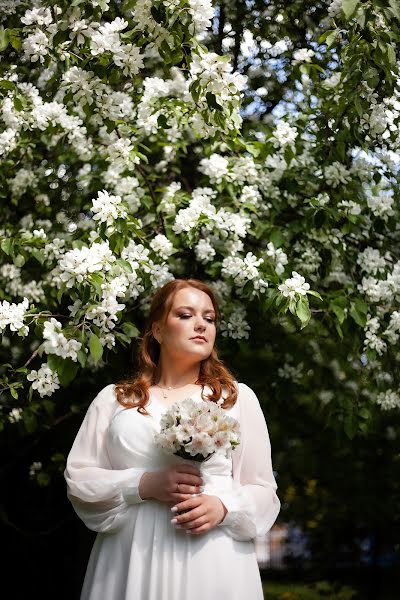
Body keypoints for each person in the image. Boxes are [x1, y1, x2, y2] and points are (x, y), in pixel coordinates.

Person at [64, 278, 280, 600]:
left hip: (213, 557)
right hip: (131, 556)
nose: (201, 325)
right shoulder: (115, 400)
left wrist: (224, 507)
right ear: (158, 330)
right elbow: (79, 479)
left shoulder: (234, 398)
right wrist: (142, 485)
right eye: (185, 315)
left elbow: (263, 490)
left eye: (209, 318)